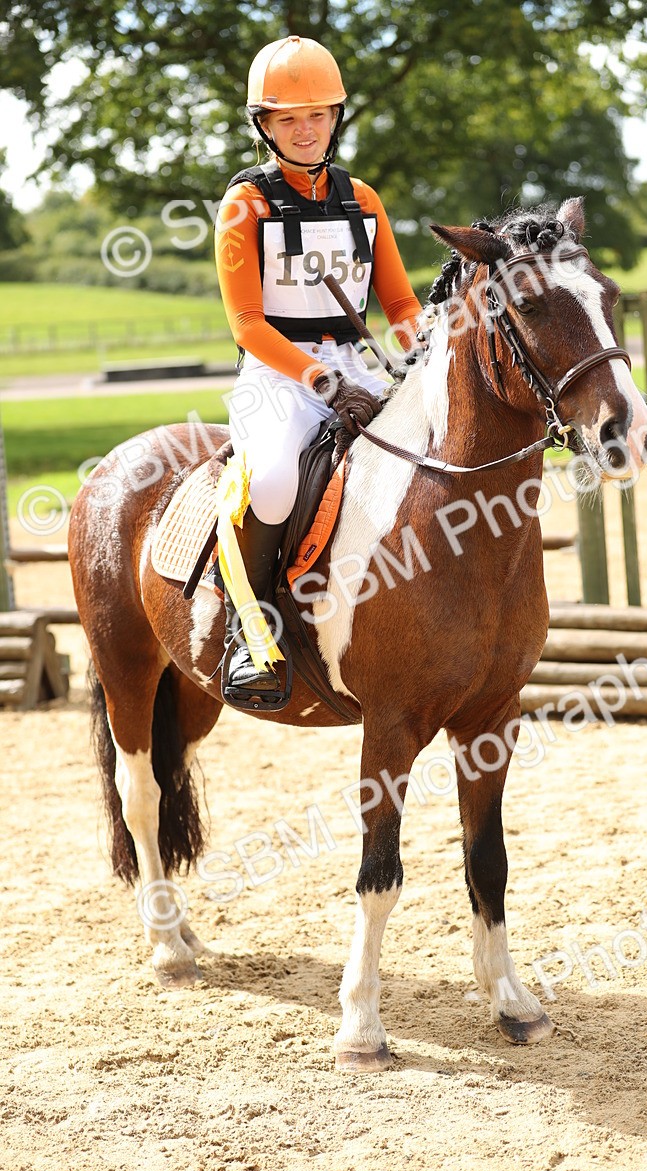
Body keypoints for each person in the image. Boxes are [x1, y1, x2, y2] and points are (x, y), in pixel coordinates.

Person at [214, 35, 423, 700]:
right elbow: (247, 324)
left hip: (355, 366)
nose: (305, 131)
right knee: (273, 480)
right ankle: (251, 633)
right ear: (265, 127)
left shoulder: (363, 199)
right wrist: (321, 382)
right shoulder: (245, 206)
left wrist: (424, 354)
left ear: (336, 118)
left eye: (317, 116)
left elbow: (399, 302)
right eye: (287, 119)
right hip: (278, 376)